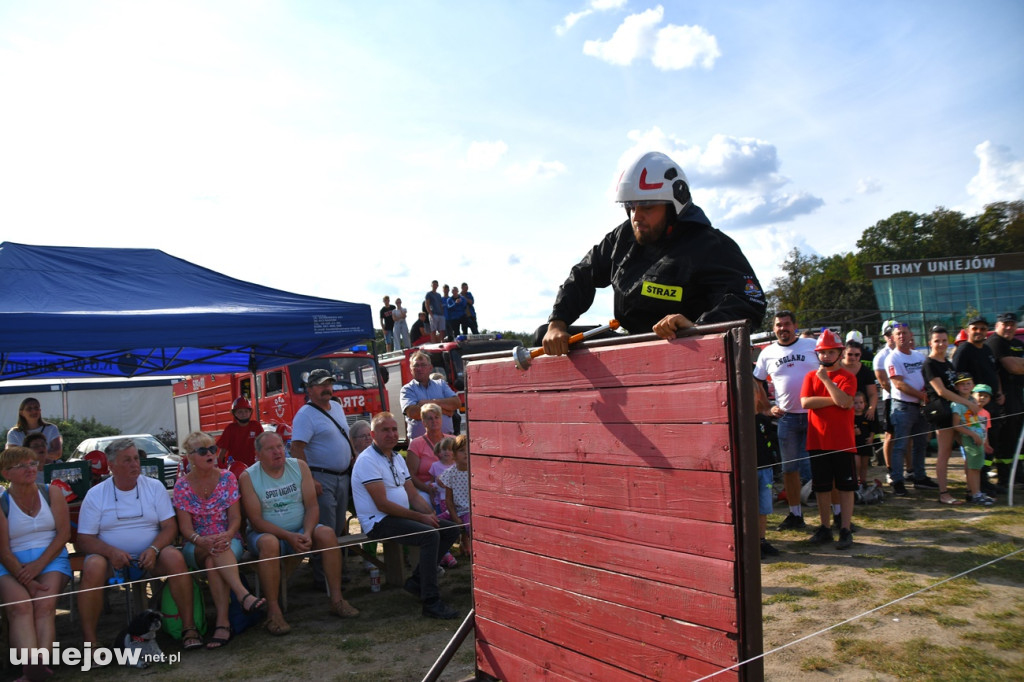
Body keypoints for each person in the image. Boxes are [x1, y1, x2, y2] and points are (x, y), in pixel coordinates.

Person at [539, 151, 765, 355]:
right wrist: (557, 323)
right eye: (631, 206)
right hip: (635, 342)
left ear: (675, 204)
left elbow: (748, 300)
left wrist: (698, 326)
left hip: (689, 349)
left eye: (647, 207)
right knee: (544, 336)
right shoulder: (622, 238)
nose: (636, 217)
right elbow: (583, 273)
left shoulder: (711, 246)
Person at [76, 438, 201, 649]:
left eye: (136, 458)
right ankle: (91, 642)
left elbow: (169, 527)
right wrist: (111, 552)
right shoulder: (96, 494)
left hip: (151, 555)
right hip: (110, 559)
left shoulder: (154, 487)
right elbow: (84, 539)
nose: (134, 464)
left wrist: (154, 549)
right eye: (127, 460)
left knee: (174, 557)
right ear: (111, 466)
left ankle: (189, 628)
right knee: (92, 565)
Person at [239, 431, 358, 636]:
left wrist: (308, 533)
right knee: (269, 543)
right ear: (258, 454)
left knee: (328, 534)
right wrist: (288, 536)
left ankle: (337, 599)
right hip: (266, 533)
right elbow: (256, 521)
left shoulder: (299, 467)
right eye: (271, 448)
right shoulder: (248, 477)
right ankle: (274, 611)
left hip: (301, 529)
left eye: (280, 446)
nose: (278, 452)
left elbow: (312, 507)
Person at [351, 412, 461, 620]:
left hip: (397, 518)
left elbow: (412, 494)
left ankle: (417, 581)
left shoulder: (395, 458)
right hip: (378, 521)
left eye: (394, 429)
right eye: (385, 430)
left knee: (449, 529)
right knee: (430, 535)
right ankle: (431, 601)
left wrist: (431, 515)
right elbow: (382, 504)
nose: (392, 434)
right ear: (373, 434)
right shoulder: (368, 460)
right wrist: (421, 518)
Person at [173, 432, 266, 649]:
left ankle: (222, 624)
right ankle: (243, 596)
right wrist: (201, 540)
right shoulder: (182, 485)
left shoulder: (228, 478)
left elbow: (235, 519)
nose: (211, 454)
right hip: (195, 543)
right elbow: (185, 529)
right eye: (203, 451)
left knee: (212, 561)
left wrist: (227, 534)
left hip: (227, 538)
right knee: (212, 553)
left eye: (213, 449)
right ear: (190, 457)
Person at [0, 446, 71, 682]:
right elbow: (2, 549)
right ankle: (32, 668)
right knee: (19, 607)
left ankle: (37, 668)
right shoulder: (1, 502)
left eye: (31, 463)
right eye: (21, 466)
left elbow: (63, 535)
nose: (30, 469)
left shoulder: (52, 493)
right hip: (11, 564)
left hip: (50, 559)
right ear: (5, 473)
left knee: (44, 605)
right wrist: (25, 577)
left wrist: (37, 567)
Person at [290, 368, 355, 590]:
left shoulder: (336, 406)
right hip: (321, 478)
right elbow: (296, 449)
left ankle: (336, 570)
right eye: (321, 385)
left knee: (337, 527)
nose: (327, 388)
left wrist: (352, 457)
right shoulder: (305, 415)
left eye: (329, 384)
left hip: (341, 477)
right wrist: (309, 480)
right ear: (310, 389)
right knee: (325, 528)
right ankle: (322, 576)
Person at [753, 311, 818, 530]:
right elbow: (757, 382)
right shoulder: (767, 353)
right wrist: (767, 407)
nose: (783, 328)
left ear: (795, 326)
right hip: (787, 418)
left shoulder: (811, 345)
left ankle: (836, 515)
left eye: (787, 324)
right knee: (790, 469)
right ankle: (795, 514)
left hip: (814, 415)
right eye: (779, 325)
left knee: (823, 464)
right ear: (774, 329)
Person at [800, 330, 858, 550]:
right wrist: (834, 399)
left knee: (845, 487)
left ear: (839, 352)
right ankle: (824, 527)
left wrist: (826, 381)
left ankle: (844, 528)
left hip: (843, 441)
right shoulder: (809, 377)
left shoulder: (848, 377)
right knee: (822, 487)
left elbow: (845, 402)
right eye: (822, 353)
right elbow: (805, 402)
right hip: (817, 440)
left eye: (830, 352)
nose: (825, 356)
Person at [922, 328, 980, 505]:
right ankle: (944, 493)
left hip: (957, 411)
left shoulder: (947, 363)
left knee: (970, 450)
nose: (941, 344)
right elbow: (941, 391)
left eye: (944, 340)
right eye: (937, 340)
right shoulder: (929, 364)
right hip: (943, 412)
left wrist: (971, 400)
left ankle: (973, 491)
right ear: (930, 343)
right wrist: (968, 404)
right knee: (944, 453)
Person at [885, 324, 939, 496]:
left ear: (911, 334)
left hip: (921, 407)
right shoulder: (892, 358)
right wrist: (922, 396)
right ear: (892, 338)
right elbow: (899, 384)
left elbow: (928, 376)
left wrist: (927, 394)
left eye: (904, 333)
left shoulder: (919, 356)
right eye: (898, 334)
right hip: (903, 407)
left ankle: (920, 477)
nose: (901, 336)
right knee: (900, 445)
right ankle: (898, 480)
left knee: (921, 444)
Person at [953, 315, 1004, 495]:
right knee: (977, 444)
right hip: (973, 407)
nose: (979, 332)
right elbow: (957, 378)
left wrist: (999, 392)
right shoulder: (964, 349)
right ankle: (978, 484)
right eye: (975, 328)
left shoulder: (987, 349)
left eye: (983, 328)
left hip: (990, 404)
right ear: (968, 330)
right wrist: (969, 401)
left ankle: (985, 479)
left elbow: (994, 372)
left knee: (989, 442)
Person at [986, 312, 1024, 489]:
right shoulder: (995, 342)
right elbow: (1013, 367)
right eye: (1005, 324)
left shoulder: (1016, 343)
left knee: (1019, 438)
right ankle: (1004, 477)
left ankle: (1019, 474)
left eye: (1012, 324)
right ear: (997, 325)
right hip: (1003, 399)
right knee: (1006, 438)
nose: (1009, 327)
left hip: (1018, 396)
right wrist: (1018, 363)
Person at [951, 377, 994, 506]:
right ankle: (975, 494)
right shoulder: (957, 405)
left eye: (968, 384)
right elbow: (956, 425)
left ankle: (975, 492)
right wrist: (973, 435)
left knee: (977, 467)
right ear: (956, 387)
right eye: (962, 384)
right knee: (973, 468)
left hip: (978, 439)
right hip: (970, 440)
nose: (965, 386)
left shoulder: (972, 401)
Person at [401, 351, 461, 439]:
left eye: (423, 365)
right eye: (416, 365)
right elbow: (413, 413)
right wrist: (446, 411)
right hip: (420, 444)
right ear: (411, 370)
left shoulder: (441, 384)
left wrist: (428, 402)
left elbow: (456, 403)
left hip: (446, 441)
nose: (419, 368)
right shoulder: (407, 389)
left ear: (430, 368)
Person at [407, 403, 451, 506]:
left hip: (451, 486)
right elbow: (410, 475)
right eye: (429, 418)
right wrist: (428, 489)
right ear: (424, 422)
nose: (434, 421)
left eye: (437, 417)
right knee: (426, 503)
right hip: (425, 487)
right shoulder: (416, 444)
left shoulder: (452, 440)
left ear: (441, 419)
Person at [872, 321, 899, 471]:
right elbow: (883, 383)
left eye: (893, 333)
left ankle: (909, 469)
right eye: (888, 334)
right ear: (884, 336)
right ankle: (890, 468)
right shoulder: (881, 356)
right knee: (890, 435)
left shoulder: (907, 351)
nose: (891, 337)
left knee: (907, 438)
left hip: (906, 399)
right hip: (891, 399)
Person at [439, 434, 472, 557]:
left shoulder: (475, 471)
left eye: (468, 450)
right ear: (453, 454)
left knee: (470, 527)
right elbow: (448, 499)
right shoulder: (450, 473)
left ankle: (471, 548)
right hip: (453, 511)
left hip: (469, 510)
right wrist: (454, 516)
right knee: (434, 523)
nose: (466, 453)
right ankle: (443, 553)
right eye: (462, 451)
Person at [216, 397, 264, 481]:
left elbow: (264, 445)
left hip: (254, 467)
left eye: (246, 411)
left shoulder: (256, 426)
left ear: (250, 412)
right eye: (240, 412)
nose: (244, 414)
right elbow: (222, 451)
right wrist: (219, 469)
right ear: (235, 414)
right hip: (235, 470)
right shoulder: (230, 429)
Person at [6, 398, 62, 463]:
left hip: (48, 469)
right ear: (21, 413)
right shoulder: (14, 433)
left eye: (36, 408)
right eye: (29, 409)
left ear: (40, 410)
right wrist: (42, 455)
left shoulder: (51, 428)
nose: (33, 411)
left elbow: (57, 453)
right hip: (25, 471)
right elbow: (13, 456)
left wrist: (33, 456)